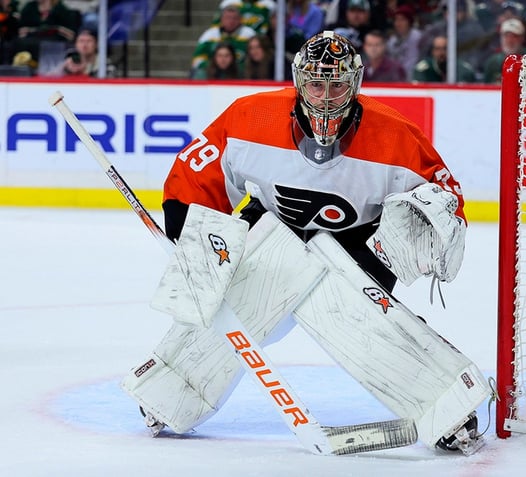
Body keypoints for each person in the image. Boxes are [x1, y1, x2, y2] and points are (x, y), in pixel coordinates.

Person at [128, 30, 479, 453]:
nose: (326, 96)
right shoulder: (249, 117)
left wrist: (429, 227)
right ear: (298, 81)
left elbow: (446, 200)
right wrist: (190, 231)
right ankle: (172, 391)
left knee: (358, 319)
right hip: (271, 227)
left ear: (356, 84)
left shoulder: (397, 135)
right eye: (316, 83)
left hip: (357, 245)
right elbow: (197, 173)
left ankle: (448, 405)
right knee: (238, 305)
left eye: (336, 84)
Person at [191, 1, 256, 77]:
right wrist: (215, 65)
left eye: (234, 18)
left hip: (240, 73)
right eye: (228, 18)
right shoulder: (209, 35)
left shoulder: (249, 34)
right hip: (214, 73)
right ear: (221, 19)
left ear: (240, 20)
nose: (231, 21)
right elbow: (197, 59)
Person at [413, 33, 478, 82]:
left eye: (445, 48)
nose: (441, 53)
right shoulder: (424, 69)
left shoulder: (463, 70)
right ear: (432, 51)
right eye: (437, 49)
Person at [482, 17, 526, 83]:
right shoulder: (493, 62)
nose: (509, 40)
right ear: (501, 37)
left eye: (514, 36)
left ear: (522, 38)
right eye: (506, 36)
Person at [386, 4, 422, 79]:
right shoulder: (392, 40)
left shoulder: (417, 37)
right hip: (395, 80)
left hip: (413, 80)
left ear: (409, 22)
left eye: (402, 19)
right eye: (396, 20)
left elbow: (413, 63)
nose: (398, 23)